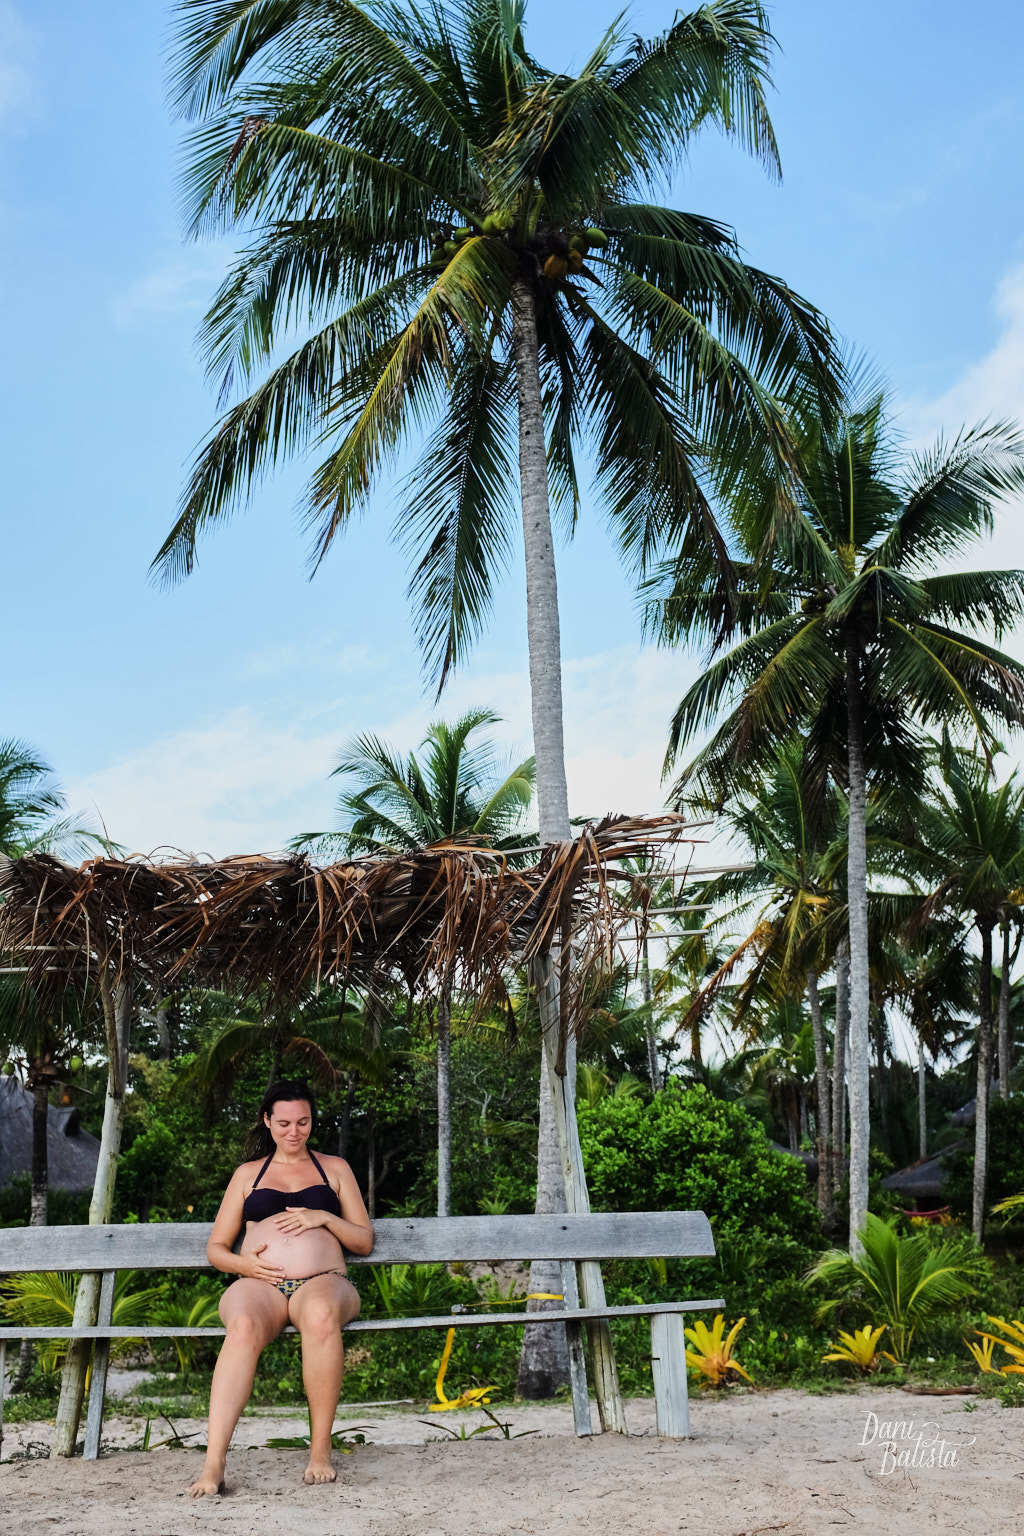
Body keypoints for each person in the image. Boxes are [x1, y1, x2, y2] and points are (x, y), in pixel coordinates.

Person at [187, 1079, 373, 1496]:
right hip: (261, 1282)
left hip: (323, 1281)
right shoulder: (247, 1175)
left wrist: (322, 1218)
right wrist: (245, 1264)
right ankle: (214, 1462)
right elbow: (216, 1248)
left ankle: (320, 1450)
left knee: (321, 1316)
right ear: (267, 1121)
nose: (294, 1132)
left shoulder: (335, 1169)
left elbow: (363, 1240)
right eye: (285, 1123)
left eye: (303, 1122)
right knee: (243, 1328)